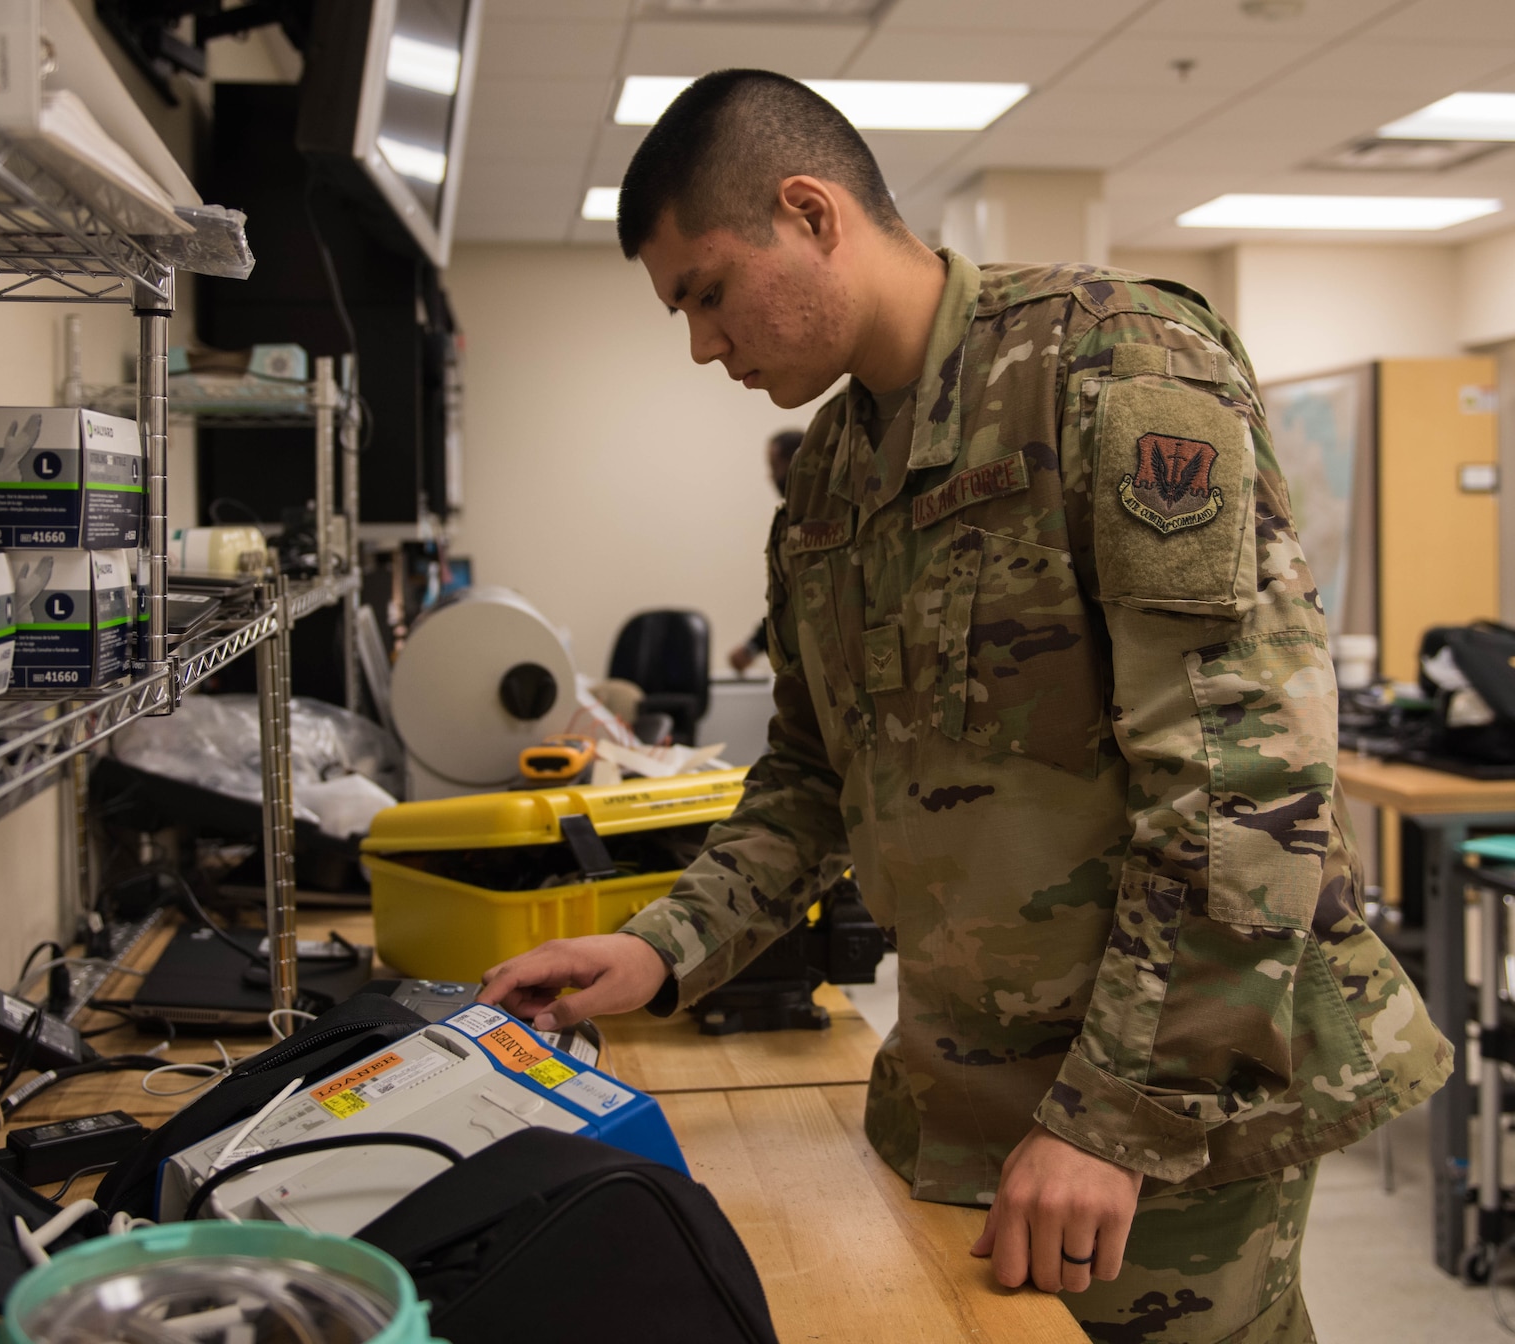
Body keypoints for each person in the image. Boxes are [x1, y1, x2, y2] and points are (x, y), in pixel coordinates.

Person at [478, 69, 1450, 1344]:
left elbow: (1243, 789)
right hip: (971, 1089)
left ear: (810, 213)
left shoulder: (1112, 365)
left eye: (707, 291)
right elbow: (809, 779)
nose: (703, 345)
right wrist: (661, 949)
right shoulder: (827, 475)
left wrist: (1111, 1118)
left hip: (1171, 1093)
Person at [727, 428, 804, 675]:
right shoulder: (790, 518)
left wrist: (751, 648)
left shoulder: (814, 517)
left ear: (795, 462)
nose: (771, 476)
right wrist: (751, 648)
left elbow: (798, 601)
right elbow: (788, 599)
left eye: (774, 466)